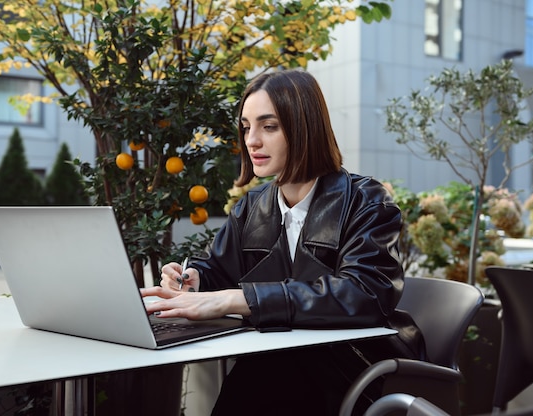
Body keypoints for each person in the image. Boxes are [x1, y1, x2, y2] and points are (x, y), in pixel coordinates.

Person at [141, 69, 425, 415]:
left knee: (263, 375)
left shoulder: (365, 201)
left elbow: (363, 294)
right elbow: (218, 268)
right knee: (262, 374)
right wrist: (194, 279)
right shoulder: (251, 208)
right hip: (282, 364)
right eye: (246, 127)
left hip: (357, 365)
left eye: (268, 126)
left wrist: (238, 297)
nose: (252, 141)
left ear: (304, 127)